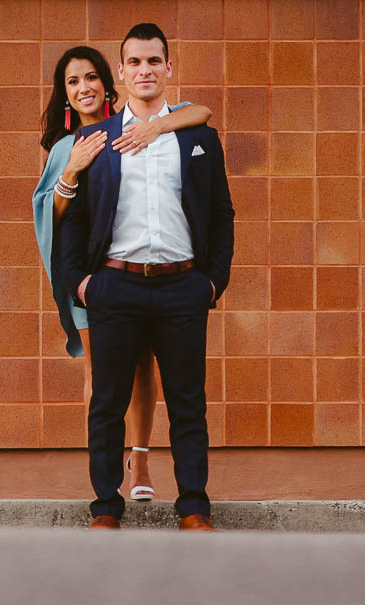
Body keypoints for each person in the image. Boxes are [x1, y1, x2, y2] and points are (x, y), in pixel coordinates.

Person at [57, 23, 234, 531]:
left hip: (183, 287)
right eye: (134, 62)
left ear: (168, 68)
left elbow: (221, 214)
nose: (145, 70)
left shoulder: (198, 138)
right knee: (107, 403)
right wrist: (81, 283)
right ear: (121, 72)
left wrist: (212, 281)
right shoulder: (96, 139)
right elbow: (76, 222)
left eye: (154, 61)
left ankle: (194, 506)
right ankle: (105, 508)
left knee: (188, 403)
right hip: (115, 285)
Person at [32, 45, 210, 502]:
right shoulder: (67, 147)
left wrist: (156, 126)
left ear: (108, 83)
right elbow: (52, 214)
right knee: (104, 377)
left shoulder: (130, 130)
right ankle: (107, 476)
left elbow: (201, 110)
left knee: (147, 368)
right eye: (72, 82)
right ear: (64, 95)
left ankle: (141, 459)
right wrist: (72, 170)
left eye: (90, 77)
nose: (83, 88)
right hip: (95, 278)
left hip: (150, 273)